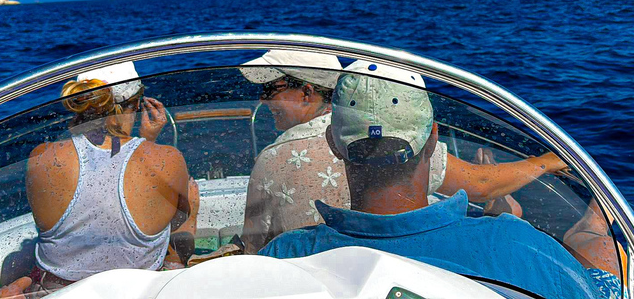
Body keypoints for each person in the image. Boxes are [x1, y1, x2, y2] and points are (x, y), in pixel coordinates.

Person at [259, 72, 612, 299]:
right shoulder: (521, 245)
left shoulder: (285, 257)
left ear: (333, 144)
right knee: (598, 249)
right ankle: (591, 229)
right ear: (433, 140)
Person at [241, 51, 568, 253]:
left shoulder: (271, 161)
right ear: (430, 140)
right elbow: (481, 184)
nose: (263, 101)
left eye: (270, 90)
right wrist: (541, 162)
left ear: (306, 93)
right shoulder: (400, 139)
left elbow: (255, 250)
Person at [26, 61, 197, 292]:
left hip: (58, 293)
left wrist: (145, 144)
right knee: (190, 201)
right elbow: (171, 217)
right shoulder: (166, 159)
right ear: (137, 103)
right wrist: (148, 143)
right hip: (137, 293)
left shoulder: (42, 157)